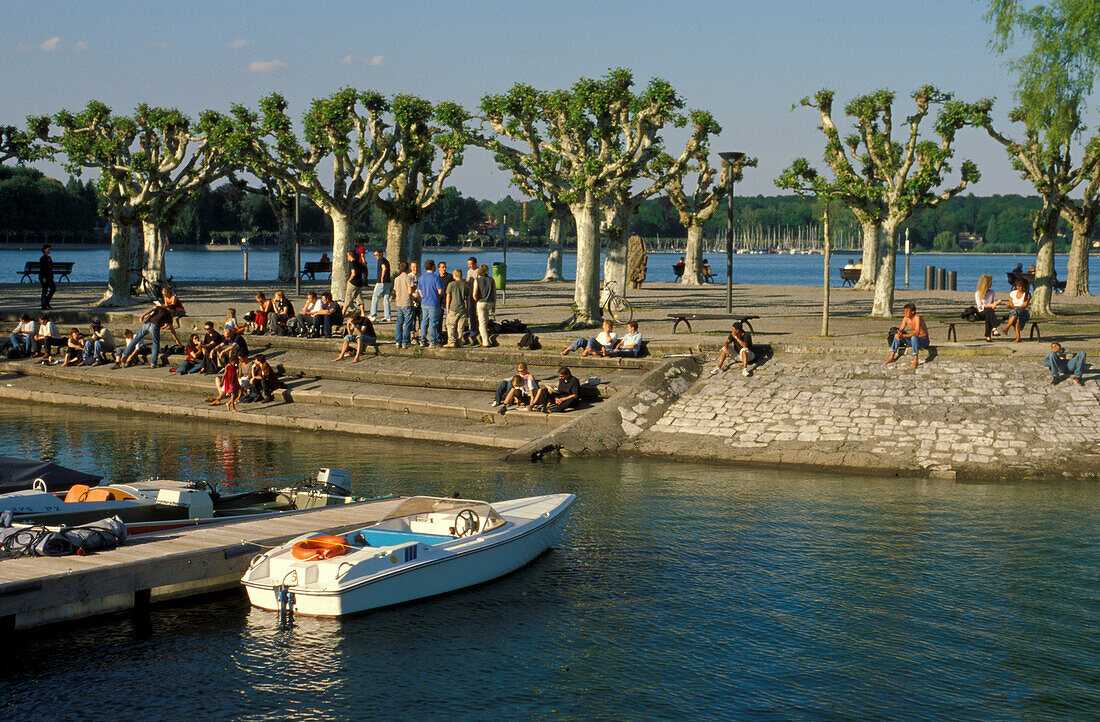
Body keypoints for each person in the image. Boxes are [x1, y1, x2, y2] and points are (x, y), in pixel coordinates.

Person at [885, 302, 930, 370]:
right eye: (905, 311)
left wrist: (903, 336)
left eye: (907, 311)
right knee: (896, 335)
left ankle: (915, 360)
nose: (905, 313)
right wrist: (899, 333)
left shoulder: (917, 318)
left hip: (923, 340)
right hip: (913, 339)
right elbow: (901, 328)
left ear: (913, 312)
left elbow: (916, 333)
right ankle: (892, 357)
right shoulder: (906, 318)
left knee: (914, 338)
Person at [418, 259, 445, 347]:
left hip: (424, 302)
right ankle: (433, 341)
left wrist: (423, 296)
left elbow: (419, 290)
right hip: (433, 302)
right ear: (433, 267)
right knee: (433, 322)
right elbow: (440, 291)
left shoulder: (422, 277)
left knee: (424, 321)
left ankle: (423, 340)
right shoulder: (435, 278)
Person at [472, 264, 497, 348]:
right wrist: (494, 307)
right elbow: (494, 294)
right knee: (486, 319)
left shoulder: (477, 280)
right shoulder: (491, 280)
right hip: (490, 302)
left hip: (481, 302)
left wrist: (477, 300)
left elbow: (474, 294)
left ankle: (485, 342)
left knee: (482, 323)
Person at [444, 269, 470, 347]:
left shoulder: (451, 284)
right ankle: (459, 340)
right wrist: (468, 309)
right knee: (460, 326)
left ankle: (451, 341)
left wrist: (447, 307)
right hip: (462, 308)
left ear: (454, 275)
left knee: (451, 325)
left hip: (453, 307)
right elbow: (468, 298)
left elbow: (448, 297)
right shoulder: (465, 285)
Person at [392, 262, 416, 348]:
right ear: (407, 269)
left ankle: (398, 341)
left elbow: (396, 291)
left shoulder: (396, 279)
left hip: (399, 303)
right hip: (407, 302)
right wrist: (414, 288)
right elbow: (410, 291)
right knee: (407, 323)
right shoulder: (408, 278)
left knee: (399, 323)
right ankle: (405, 341)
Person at [975, 274, 1003, 342]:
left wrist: (996, 303)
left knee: (988, 314)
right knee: (989, 310)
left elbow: (994, 303)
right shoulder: (978, 293)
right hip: (981, 312)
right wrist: (990, 306)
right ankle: (994, 327)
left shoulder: (992, 292)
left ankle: (988, 336)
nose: (991, 284)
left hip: (989, 312)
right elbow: (980, 306)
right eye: (990, 282)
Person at [1003, 278, 1031, 342]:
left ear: (1023, 287)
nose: (1017, 287)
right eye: (1017, 286)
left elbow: (1024, 306)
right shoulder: (1013, 293)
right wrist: (1009, 305)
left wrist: (1014, 306)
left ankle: (1007, 327)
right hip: (1014, 313)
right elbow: (1011, 303)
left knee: (1016, 311)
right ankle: (1018, 337)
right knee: (1016, 315)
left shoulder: (1027, 295)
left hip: (1024, 313)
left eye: (1019, 286)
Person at [342, 249, 368, 317]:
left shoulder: (352, 263)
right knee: (359, 298)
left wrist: (349, 280)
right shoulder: (358, 263)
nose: (347, 257)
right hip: (359, 283)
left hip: (353, 283)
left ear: (350, 256)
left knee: (348, 298)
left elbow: (353, 273)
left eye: (347, 256)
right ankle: (362, 313)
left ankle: (342, 313)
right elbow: (364, 268)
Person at [369, 249, 392, 322]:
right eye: (374, 255)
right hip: (388, 282)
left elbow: (384, 268)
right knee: (386, 299)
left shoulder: (381, 260)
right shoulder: (386, 260)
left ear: (381, 253)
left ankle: (373, 314)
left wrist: (382, 277)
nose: (375, 256)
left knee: (375, 297)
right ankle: (387, 316)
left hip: (381, 282)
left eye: (376, 255)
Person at [466, 256, 480, 341]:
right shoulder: (469, 271)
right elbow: (467, 281)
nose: (470, 266)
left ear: (475, 263)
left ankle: (478, 328)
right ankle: (473, 328)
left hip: (478, 294)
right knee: (471, 311)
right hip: (470, 294)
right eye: (468, 264)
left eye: (471, 264)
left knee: (478, 311)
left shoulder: (478, 271)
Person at [39, 244, 55, 310]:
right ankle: (44, 305)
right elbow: (42, 269)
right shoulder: (43, 258)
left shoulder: (49, 258)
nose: (49, 251)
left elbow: (50, 268)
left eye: (50, 249)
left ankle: (46, 302)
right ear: (44, 250)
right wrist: (43, 277)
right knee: (45, 290)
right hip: (44, 277)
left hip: (49, 276)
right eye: (48, 249)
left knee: (53, 289)